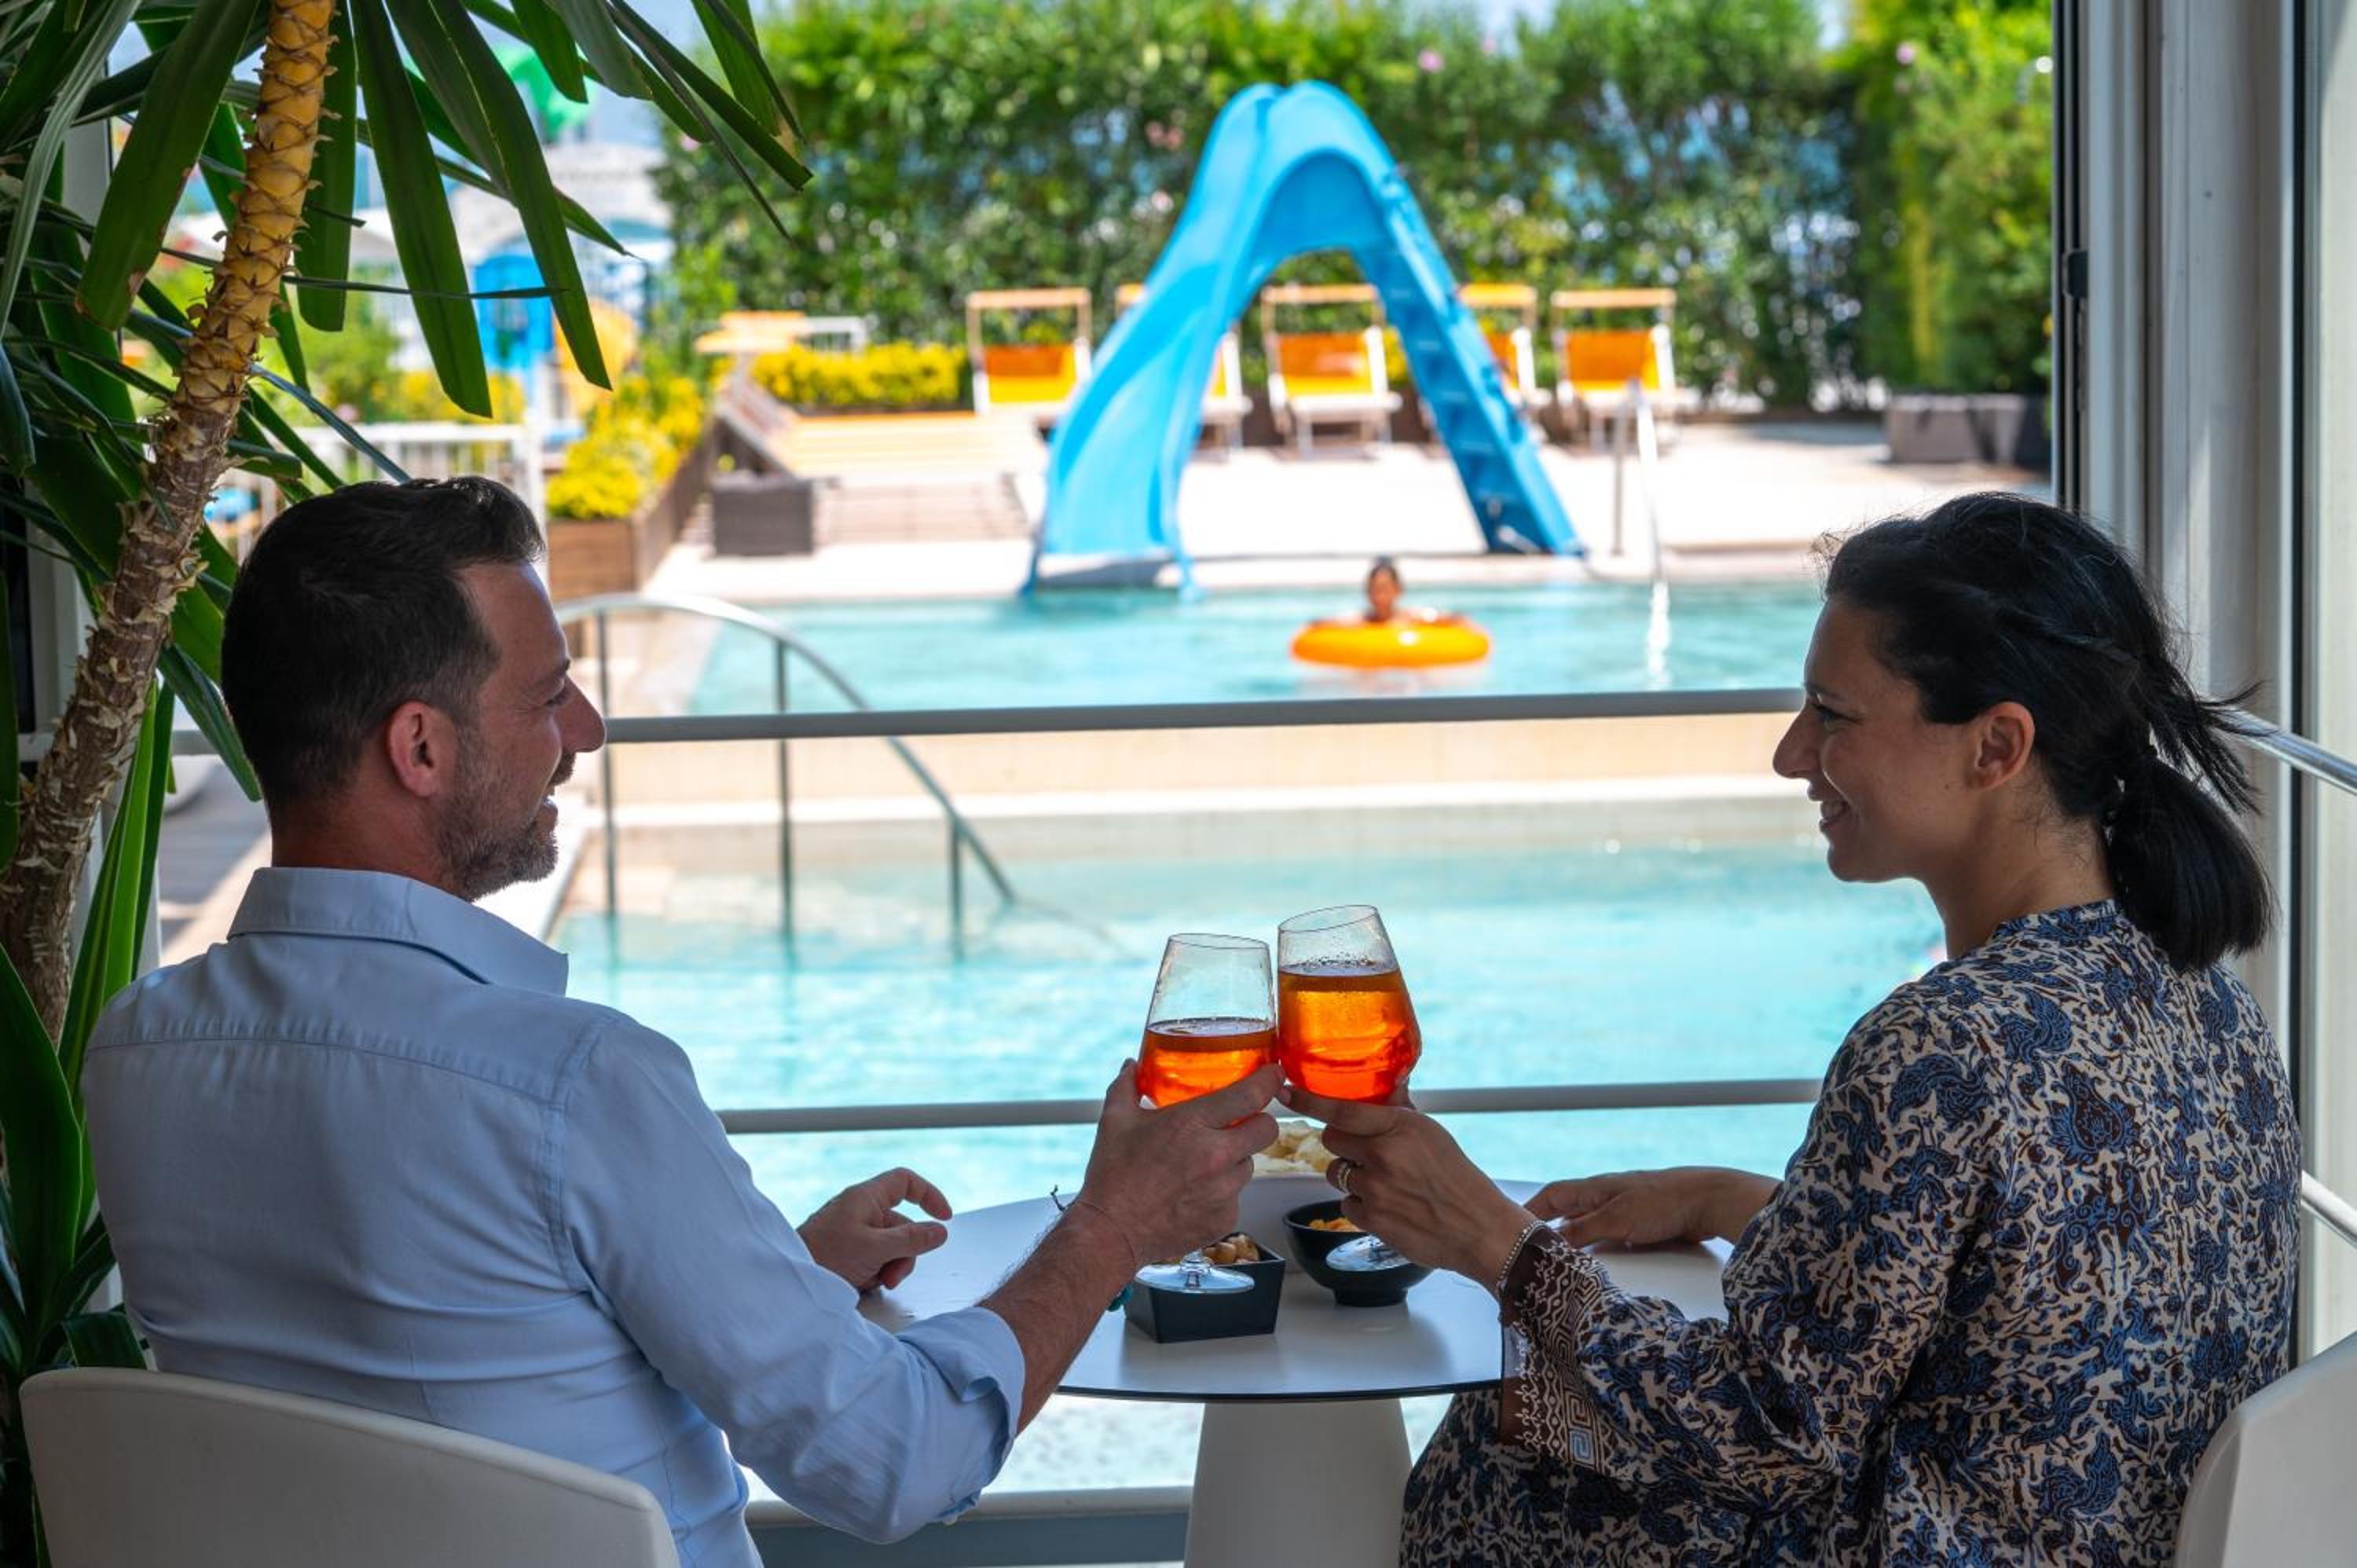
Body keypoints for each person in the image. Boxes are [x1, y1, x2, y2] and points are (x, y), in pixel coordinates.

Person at [83, 478, 1279, 1566]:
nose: (586, 730)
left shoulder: (136, 1057)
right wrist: (1114, 1225)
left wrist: (756, 1282)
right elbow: (895, 1463)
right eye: (547, 696)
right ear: (422, 747)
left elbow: (436, 1358)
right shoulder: (569, 1085)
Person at [1285, 493, 2300, 1563]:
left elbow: (1761, 1435)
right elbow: (2039, 1300)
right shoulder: (2207, 995)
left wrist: (1494, 1243)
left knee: (1507, 1438)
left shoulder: (1943, 1048)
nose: (1789, 754)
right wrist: (1738, 1201)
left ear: (1997, 746)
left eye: (1832, 714)